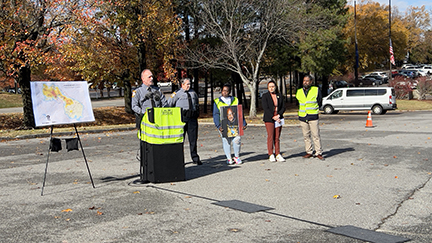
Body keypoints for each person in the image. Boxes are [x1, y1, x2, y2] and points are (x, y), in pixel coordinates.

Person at [168, 78, 202, 165]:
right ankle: (179, 159)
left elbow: (196, 104)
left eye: (189, 84)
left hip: (192, 118)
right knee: (180, 139)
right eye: (187, 84)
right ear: (182, 84)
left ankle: (195, 158)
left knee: (193, 139)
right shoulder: (177, 94)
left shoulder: (193, 93)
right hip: (181, 118)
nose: (189, 85)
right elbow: (169, 104)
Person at [213, 84, 247, 165]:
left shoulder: (235, 100)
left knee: (237, 139)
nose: (224, 92)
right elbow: (215, 115)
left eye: (226, 91)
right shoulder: (217, 101)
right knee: (226, 141)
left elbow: (240, 113)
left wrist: (243, 123)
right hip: (223, 125)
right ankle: (229, 158)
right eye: (223, 90)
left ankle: (236, 156)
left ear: (229, 92)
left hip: (234, 124)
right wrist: (218, 126)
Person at [296, 75, 324, 160]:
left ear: (311, 82)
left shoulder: (315, 90)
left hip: (313, 116)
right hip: (303, 116)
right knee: (306, 136)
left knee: (315, 135)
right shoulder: (299, 91)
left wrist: (315, 110)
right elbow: (298, 103)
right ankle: (309, 151)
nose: (305, 82)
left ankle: (318, 152)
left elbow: (319, 101)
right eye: (304, 81)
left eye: (307, 81)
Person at [262, 80, 286, 162]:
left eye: (273, 86)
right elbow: (266, 108)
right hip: (269, 118)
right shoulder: (265, 96)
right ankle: (271, 154)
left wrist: (278, 115)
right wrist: (273, 116)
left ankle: (278, 153)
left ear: (275, 87)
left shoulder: (279, 95)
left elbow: (283, 107)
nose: (271, 88)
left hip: (278, 118)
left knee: (277, 137)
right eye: (270, 87)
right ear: (268, 88)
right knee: (270, 136)